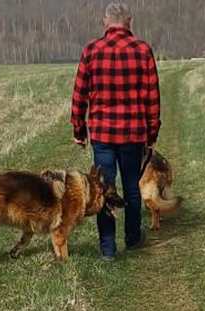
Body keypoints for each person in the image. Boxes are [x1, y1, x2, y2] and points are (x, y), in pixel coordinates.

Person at [71, 2, 161, 261]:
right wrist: (151, 135)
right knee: (131, 187)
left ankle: (108, 248)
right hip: (133, 134)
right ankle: (132, 238)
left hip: (102, 134)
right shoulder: (143, 51)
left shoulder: (91, 51)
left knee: (103, 188)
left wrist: (79, 129)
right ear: (129, 22)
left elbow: (79, 95)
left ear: (105, 22)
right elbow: (152, 98)